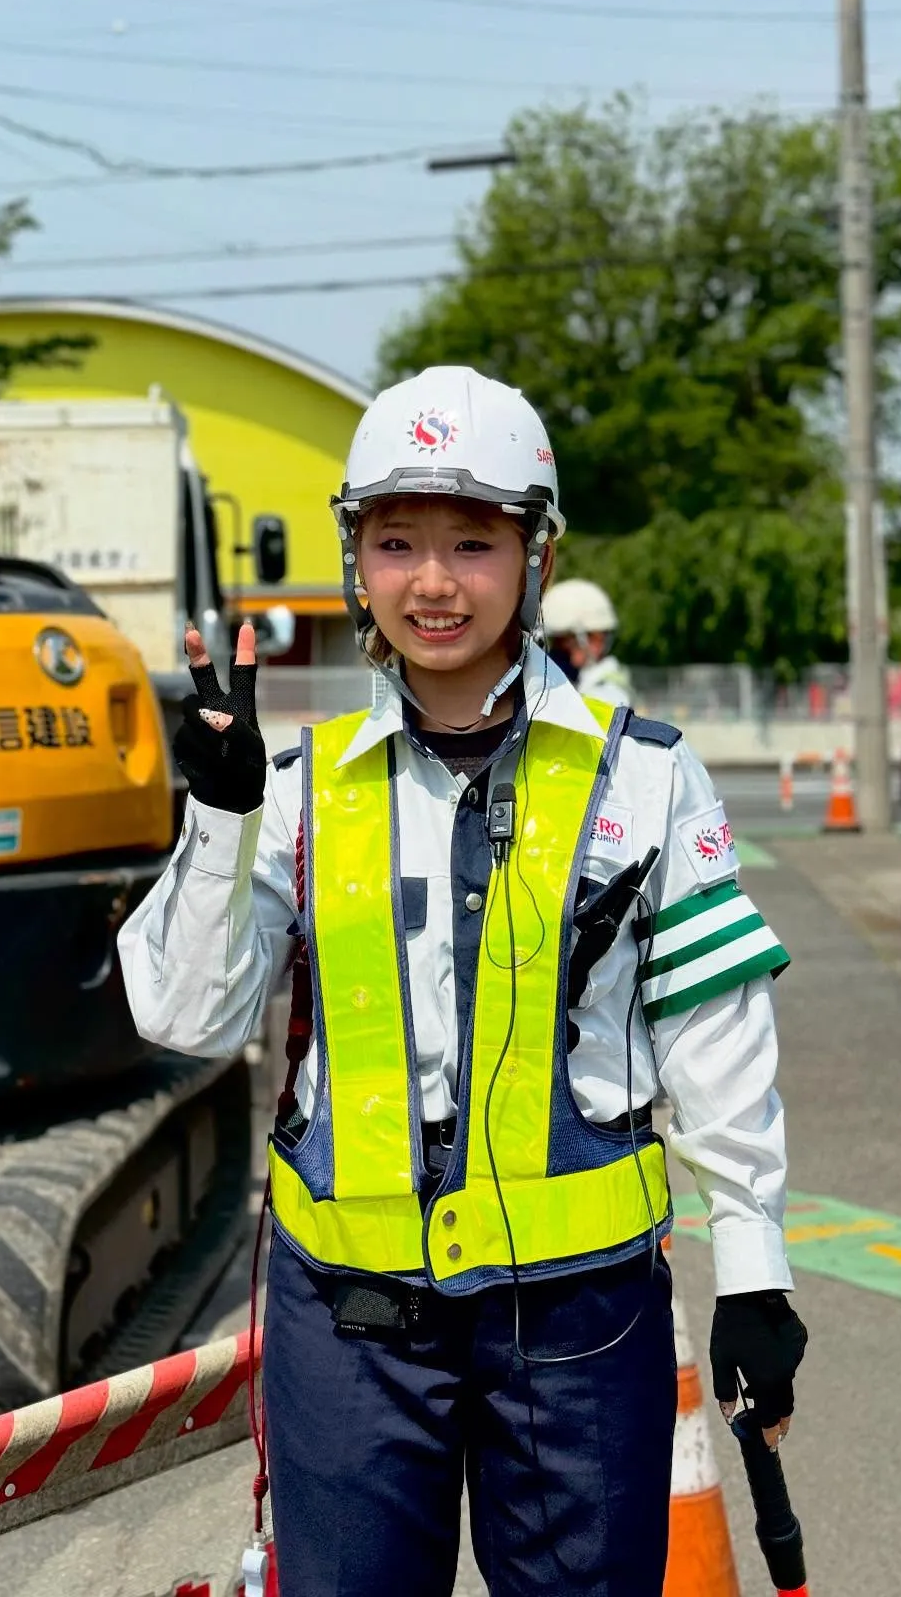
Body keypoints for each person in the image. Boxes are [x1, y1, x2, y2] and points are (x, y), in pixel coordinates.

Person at [117, 365, 807, 1597]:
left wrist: (754, 1268)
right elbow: (183, 1016)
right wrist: (218, 821)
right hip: (348, 1336)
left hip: (583, 1329)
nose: (433, 582)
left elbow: (714, 1037)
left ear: (535, 553)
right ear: (356, 556)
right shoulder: (296, 789)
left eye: (472, 542)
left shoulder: (643, 780)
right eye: (397, 542)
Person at [542, 575, 633, 708]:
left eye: (563, 644)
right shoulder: (583, 686)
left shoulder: (605, 696)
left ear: (595, 640)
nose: (555, 654)